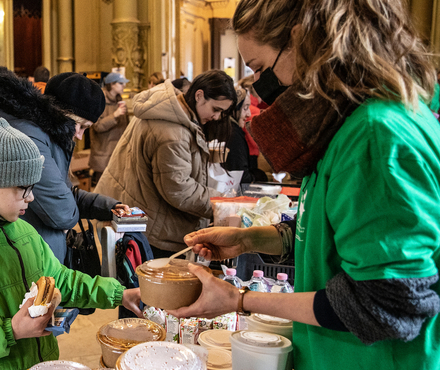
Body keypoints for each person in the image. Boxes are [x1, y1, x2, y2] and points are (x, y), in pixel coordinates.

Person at [172, 1, 440, 369]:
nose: (264, 91)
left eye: (263, 69)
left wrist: (239, 300)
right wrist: (250, 239)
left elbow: (384, 306)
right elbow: (328, 232)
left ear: (304, 40)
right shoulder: (344, 125)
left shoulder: (374, 136)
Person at [0, 118, 143, 369]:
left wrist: (118, 294)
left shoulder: (24, 231)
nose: (31, 197)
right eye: (23, 188)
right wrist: (10, 330)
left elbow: (60, 279)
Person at [0, 67, 128, 263]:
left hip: (34, 249)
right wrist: (72, 214)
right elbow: (62, 212)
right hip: (28, 256)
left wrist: (109, 207)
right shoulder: (32, 135)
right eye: (80, 125)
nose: (79, 135)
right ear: (61, 113)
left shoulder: (45, 130)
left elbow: (64, 193)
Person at [94, 70, 236, 257]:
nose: (216, 117)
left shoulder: (167, 110)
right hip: (149, 227)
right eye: (216, 109)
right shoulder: (172, 132)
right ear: (199, 95)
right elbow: (179, 189)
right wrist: (221, 204)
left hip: (138, 214)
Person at [90, 72, 129, 186]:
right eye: (121, 83)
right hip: (103, 152)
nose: (124, 86)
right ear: (112, 85)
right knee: (102, 188)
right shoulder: (98, 101)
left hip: (118, 151)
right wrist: (115, 115)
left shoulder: (119, 100)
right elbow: (97, 126)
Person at [222, 87, 253, 183]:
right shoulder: (233, 133)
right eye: (245, 108)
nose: (249, 114)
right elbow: (240, 173)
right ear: (233, 108)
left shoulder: (224, 128)